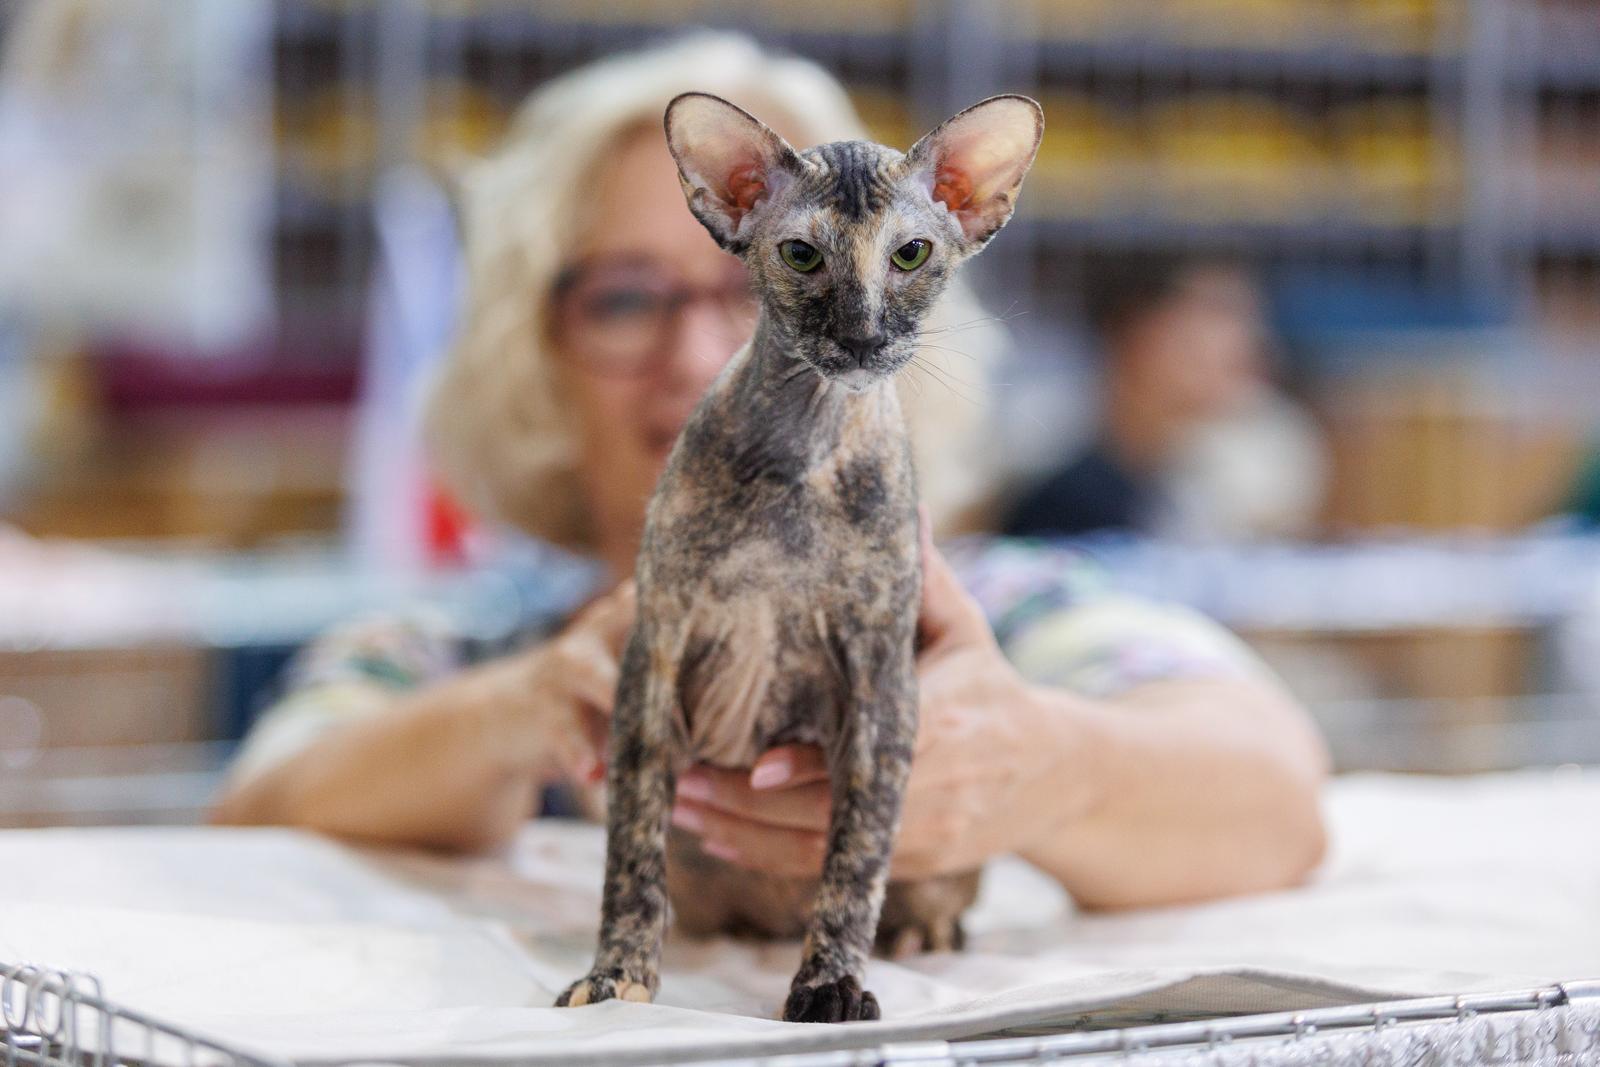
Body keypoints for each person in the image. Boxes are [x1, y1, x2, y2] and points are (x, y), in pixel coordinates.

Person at [211, 35, 1329, 911]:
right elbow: (248, 827)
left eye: (760, 292)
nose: (708, 358)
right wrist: (522, 712)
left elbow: (1280, 793)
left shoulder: (995, 619)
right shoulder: (451, 649)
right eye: (627, 297)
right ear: (529, 350)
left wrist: (1045, 763)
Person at [1003, 253, 1326, 541]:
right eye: (1217, 312)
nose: (1243, 340)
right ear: (1136, 330)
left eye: (1246, 317)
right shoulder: (1052, 472)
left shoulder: (1255, 453)